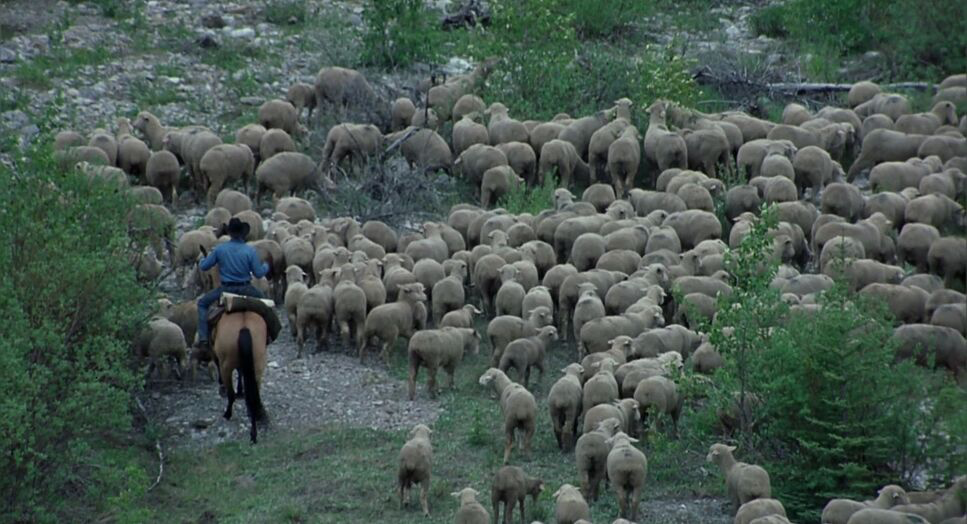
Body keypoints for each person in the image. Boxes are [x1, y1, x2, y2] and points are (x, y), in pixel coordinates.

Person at [195, 217, 269, 352]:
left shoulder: (220, 249)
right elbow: (258, 274)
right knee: (267, 304)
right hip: (247, 289)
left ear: (229, 233)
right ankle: (269, 335)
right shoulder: (249, 250)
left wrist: (203, 260)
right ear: (243, 233)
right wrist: (266, 266)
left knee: (202, 304)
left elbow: (205, 266)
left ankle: (203, 339)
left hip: (226, 289)